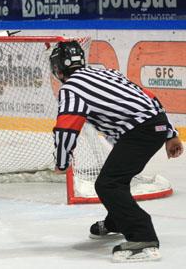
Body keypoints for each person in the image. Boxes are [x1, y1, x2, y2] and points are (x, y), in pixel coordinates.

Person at [49, 41, 183, 262]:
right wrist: (170, 133)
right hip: (153, 126)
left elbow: (66, 127)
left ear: (57, 69)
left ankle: (143, 236)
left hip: (139, 132)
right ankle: (117, 221)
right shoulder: (104, 73)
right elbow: (149, 97)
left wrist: (62, 163)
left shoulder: (71, 88)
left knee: (108, 183)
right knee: (117, 179)